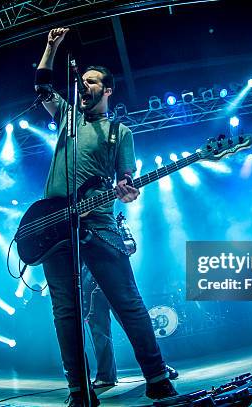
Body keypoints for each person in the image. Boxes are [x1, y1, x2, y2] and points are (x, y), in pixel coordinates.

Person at [34, 27, 178, 406]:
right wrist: (51, 48)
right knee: (65, 311)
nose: (83, 87)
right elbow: (42, 87)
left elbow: (126, 180)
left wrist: (128, 191)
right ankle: (79, 390)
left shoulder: (119, 132)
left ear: (107, 89)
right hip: (53, 227)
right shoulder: (66, 118)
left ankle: (157, 378)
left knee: (127, 301)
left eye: (91, 82)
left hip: (98, 226)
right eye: (81, 82)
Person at [82, 214, 179, 390]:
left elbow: (130, 246)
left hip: (115, 280)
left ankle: (159, 368)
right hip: (90, 289)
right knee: (99, 333)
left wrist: (103, 245)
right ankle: (106, 376)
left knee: (136, 326)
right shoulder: (79, 227)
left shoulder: (114, 221)